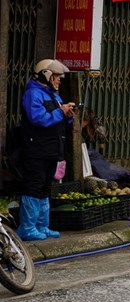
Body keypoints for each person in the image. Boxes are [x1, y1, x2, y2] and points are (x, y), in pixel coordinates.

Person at [17, 59, 76, 241]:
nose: (59, 80)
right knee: (33, 187)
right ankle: (27, 228)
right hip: (36, 149)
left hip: (51, 149)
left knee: (45, 188)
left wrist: (67, 115)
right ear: (46, 75)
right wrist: (60, 112)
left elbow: (57, 120)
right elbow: (37, 118)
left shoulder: (54, 95)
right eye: (56, 76)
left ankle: (42, 226)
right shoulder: (33, 93)